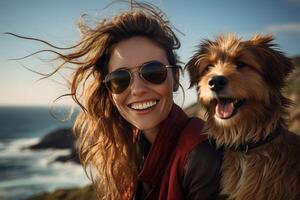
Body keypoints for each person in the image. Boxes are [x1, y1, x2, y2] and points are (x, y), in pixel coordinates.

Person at [10, 2, 222, 199]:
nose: (137, 89)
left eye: (153, 72)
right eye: (121, 79)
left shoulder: (202, 154)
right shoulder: (128, 149)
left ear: (175, 78)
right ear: (109, 91)